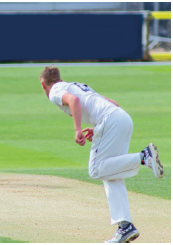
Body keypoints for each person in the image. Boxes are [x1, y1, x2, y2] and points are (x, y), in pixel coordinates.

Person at [39, 66, 163, 243]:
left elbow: (73, 101)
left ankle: (143, 157)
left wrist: (78, 130)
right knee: (112, 173)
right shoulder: (74, 85)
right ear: (59, 78)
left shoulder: (55, 91)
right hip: (121, 118)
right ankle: (125, 227)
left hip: (110, 121)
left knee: (96, 170)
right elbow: (114, 103)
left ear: (43, 85)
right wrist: (97, 128)